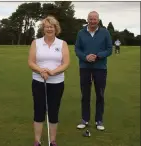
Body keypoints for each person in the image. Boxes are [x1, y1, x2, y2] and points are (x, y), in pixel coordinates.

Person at [28, 16, 70, 146]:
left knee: (53, 111)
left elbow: (66, 63)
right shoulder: (36, 42)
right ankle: (37, 141)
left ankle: (52, 141)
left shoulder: (62, 43)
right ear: (43, 29)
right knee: (39, 110)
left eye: (52, 26)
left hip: (57, 83)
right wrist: (41, 70)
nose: (49, 28)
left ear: (56, 28)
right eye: (47, 26)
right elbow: (30, 62)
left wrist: (53, 72)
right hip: (38, 82)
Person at [75, 11, 112, 131]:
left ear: (98, 20)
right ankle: (85, 119)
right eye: (90, 19)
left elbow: (109, 49)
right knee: (85, 94)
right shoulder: (81, 33)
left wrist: (98, 56)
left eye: (95, 19)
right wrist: (85, 57)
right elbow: (77, 49)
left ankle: (99, 120)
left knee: (100, 95)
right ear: (87, 20)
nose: (92, 21)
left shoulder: (105, 32)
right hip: (85, 67)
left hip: (100, 68)